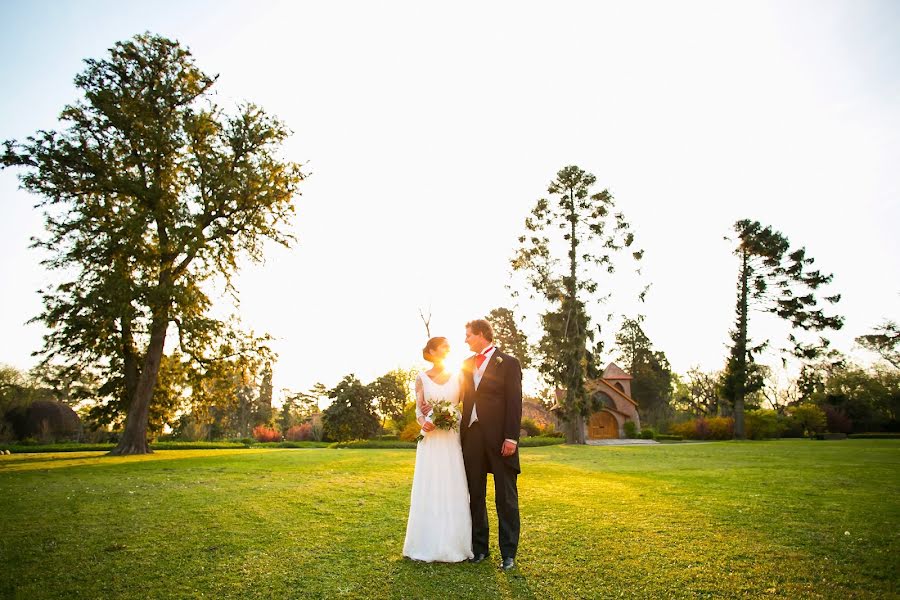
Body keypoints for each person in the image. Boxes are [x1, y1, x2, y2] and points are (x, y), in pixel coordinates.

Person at [402, 337, 473, 562]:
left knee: (453, 482)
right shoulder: (421, 378)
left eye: (449, 348)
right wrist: (424, 421)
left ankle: (455, 542)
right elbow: (419, 409)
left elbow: (465, 402)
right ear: (432, 351)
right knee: (430, 483)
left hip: (451, 437)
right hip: (431, 438)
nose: (447, 350)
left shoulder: (459, 375)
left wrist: (450, 414)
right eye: (443, 347)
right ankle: (426, 542)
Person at [459, 319, 523, 571]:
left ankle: (508, 553)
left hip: (499, 438)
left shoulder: (508, 363)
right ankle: (480, 549)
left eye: (468, 335)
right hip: (472, 436)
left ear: (482, 335)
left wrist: (511, 437)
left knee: (505, 496)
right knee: (475, 493)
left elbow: (514, 401)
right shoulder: (464, 365)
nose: (465, 340)